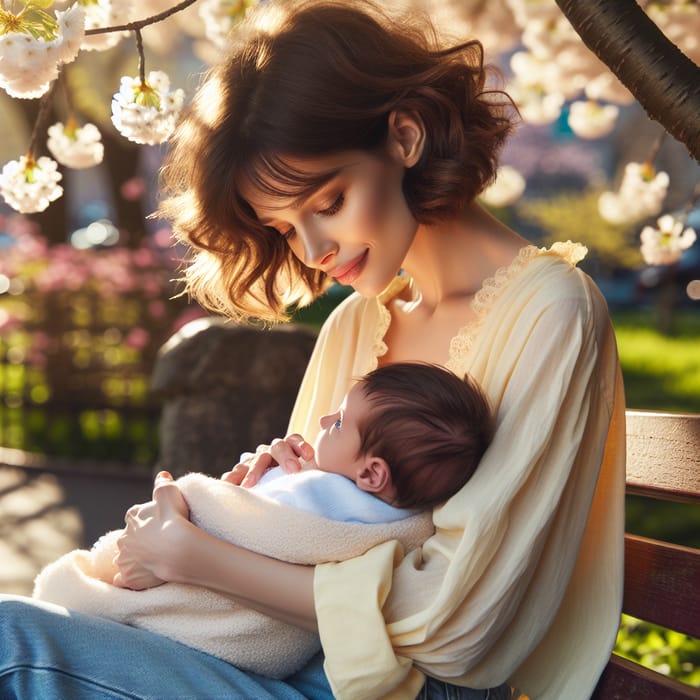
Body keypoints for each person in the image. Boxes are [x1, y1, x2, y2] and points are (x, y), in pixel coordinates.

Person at [0, 1, 626, 699]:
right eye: (284, 226)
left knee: (10, 643)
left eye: (328, 200)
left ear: (405, 136)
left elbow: (462, 624)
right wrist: (257, 500)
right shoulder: (357, 323)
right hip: (291, 657)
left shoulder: (551, 313)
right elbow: (307, 539)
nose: (314, 251)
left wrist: (197, 557)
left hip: (405, 688)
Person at [32, 363, 492, 678]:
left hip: (210, 618)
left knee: (18, 631)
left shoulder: (317, 492)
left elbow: (244, 523)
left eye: (339, 424)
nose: (326, 417)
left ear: (372, 473)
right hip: (267, 654)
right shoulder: (397, 521)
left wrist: (197, 502)